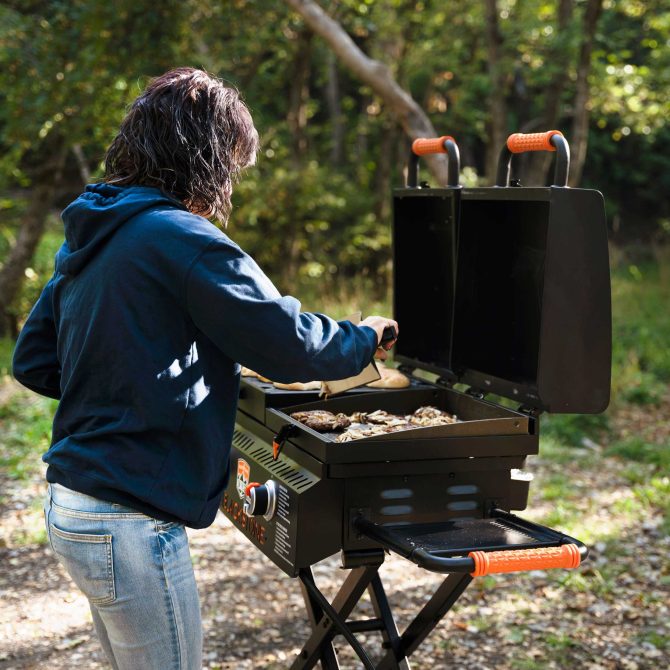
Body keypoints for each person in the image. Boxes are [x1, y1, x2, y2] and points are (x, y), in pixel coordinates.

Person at [12, 67, 398, 670]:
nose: (230, 185)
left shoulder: (94, 231)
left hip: (74, 506)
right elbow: (288, 344)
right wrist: (361, 338)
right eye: (233, 169)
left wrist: (135, 379)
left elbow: (34, 360)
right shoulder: (181, 239)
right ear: (206, 160)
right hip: (129, 521)